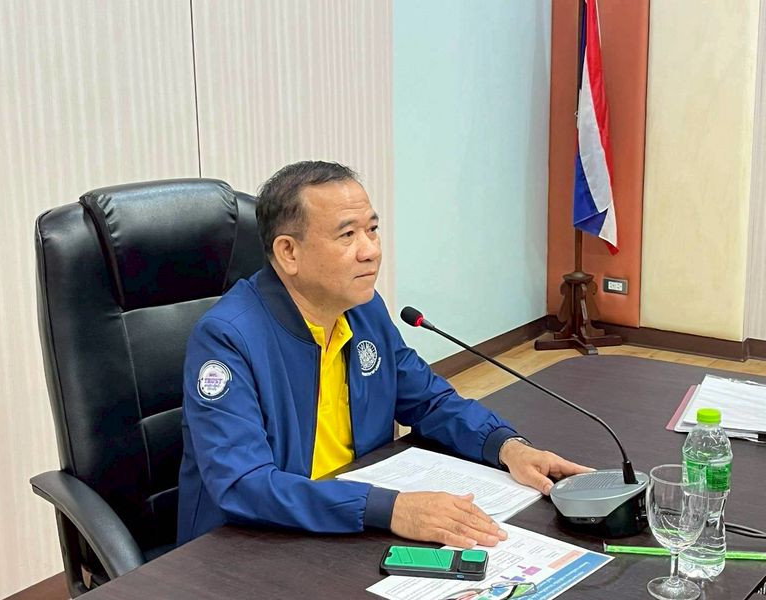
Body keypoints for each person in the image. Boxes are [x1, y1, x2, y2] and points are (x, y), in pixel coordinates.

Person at [176, 161, 590, 547]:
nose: (370, 250)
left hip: (348, 523)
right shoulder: (227, 338)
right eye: (347, 235)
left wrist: (506, 447)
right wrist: (390, 509)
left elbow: (429, 400)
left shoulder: (363, 309)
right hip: (249, 545)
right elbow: (244, 484)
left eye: (372, 230)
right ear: (289, 252)